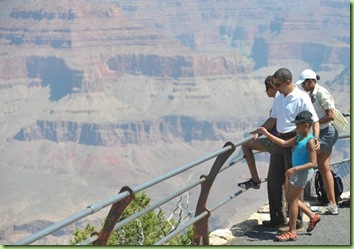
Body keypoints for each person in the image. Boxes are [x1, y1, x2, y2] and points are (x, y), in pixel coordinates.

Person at [257, 68, 320, 228]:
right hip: (280, 139)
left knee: (293, 183)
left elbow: (314, 120)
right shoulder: (279, 96)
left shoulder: (301, 97)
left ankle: (296, 222)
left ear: (287, 82)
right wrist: (259, 131)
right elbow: (274, 118)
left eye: (278, 84)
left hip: (294, 139)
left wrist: (315, 138)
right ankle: (277, 219)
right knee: (273, 180)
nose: (275, 87)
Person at [258, 111, 321, 241]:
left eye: (297, 125)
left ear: (305, 125)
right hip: (296, 173)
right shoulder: (299, 137)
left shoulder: (309, 141)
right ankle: (312, 215)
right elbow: (284, 143)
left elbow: (313, 163)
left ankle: (292, 231)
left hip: (301, 173)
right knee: (292, 198)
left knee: (291, 200)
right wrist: (267, 134)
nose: (295, 127)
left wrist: (294, 169)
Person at [296, 69, 339, 215]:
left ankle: (300, 199)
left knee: (305, 159)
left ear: (310, 81)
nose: (302, 86)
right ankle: (332, 204)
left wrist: (314, 123)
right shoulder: (312, 94)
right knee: (323, 167)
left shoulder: (321, 93)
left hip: (326, 132)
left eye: (304, 83)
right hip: (323, 131)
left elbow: (330, 115)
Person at [238, 75, 278, 189]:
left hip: (276, 140)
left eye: (267, 88)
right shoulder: (284, 98)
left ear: (272, 87)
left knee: (246, 145)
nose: (266, 91)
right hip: (281, 138)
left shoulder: (279, 99)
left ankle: (255, 180)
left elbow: (272, 121)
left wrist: (258, 132)